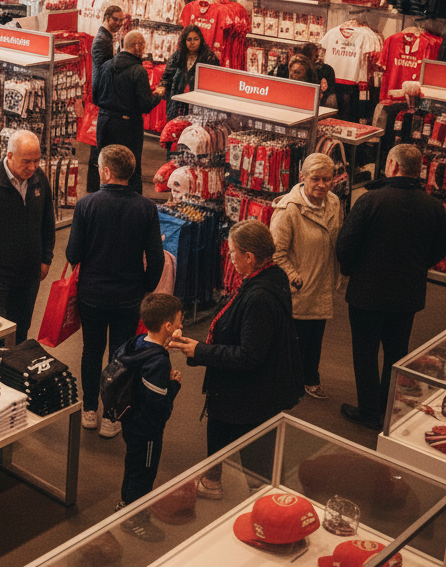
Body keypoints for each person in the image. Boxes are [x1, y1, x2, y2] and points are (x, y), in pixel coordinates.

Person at [170, 220, 303, 499]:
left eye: (232, 253)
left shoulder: (259, 298)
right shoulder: (271, 277)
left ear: (249, 257)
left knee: (250, 450)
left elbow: (249, 355)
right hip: (248, 390)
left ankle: (262, 499)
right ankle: (213, 481)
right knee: (223, 433)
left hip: (247, 393)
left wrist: (201, 351)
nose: (230, 258)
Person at [337, 144, 446, 429]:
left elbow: (346, 243)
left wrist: (350, 270)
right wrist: (418, 266)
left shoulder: (370, 200)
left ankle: (369, 411)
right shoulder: (434, 207)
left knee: (365, 352)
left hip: (366, 293)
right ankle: (388, 408)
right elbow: (439, 250)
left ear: (392, 166)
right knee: (397, 352)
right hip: (407, 294)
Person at [66, 144, 165, 437]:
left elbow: (73, 253)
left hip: (92, 294)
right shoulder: (146, 208)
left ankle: (89, 409)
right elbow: (157, 258)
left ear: (106, 171)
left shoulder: (86, 205)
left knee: (91, 351)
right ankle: (113, 415)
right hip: (128, 296)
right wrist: (146, 287)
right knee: (121, 357)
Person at [0, 129, 55, 344]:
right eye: (26, 161)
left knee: (22, 329)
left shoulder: (39, 179)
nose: (32, 167)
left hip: (30, 274)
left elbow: (47, 223)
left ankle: (16, 373)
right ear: (10, 156)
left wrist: (46, 258)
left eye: (36, 161)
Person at [112, 293, 184, 543]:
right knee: (143, 473)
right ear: (167, 326)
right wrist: (173, 385)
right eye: (178, 321)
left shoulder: (135, 344)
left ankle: (126, 504)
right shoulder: (158, 361)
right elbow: (158, 404)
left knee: (133, 466)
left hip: (130, 420)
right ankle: (135, 519)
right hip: (148, 429)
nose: (180, 325)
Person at [271, 152, 342, 400]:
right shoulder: (288, 210)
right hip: (300, 288)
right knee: (296, 339)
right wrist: (294, 276)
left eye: (327, 179)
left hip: (323, 283)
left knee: (316, 335)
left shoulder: (334, 203)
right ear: (303, 178)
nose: (322, 185)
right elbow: (276, 253)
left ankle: (310, 377)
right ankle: (291, 383)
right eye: (316, 179)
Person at [93, 31, 164, 195]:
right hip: (128, 125)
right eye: (143, 45)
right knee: (129, 167)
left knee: (105, 164)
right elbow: (145, 105)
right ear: (137, 46)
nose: (144, 49)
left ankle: (105, 200)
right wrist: (158, 95)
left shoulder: (106, 65)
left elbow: (95, 95)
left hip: (104, 122)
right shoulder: (139, 71)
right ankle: (131, 207)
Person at [88, 5, 125, 192]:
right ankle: (95, 185)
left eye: (121, 20)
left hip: (103, 93)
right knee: (100, 146)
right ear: (107, 17)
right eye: (115, 20)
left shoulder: (107, 37)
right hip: (102, 94)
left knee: (99, 146)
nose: (118, 23)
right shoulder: (102, 39)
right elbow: (104, 69)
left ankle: (94, 184)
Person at [158, 24, 218, 122]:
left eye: (195, 39)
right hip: (176, 105)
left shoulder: (209, 58)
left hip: (198, 107)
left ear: (201, 40)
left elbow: (213, 84)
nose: (192, 43)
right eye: (189, 39)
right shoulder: (177, 56)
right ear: (184, 41)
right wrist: (161, 87)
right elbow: (167, 76)